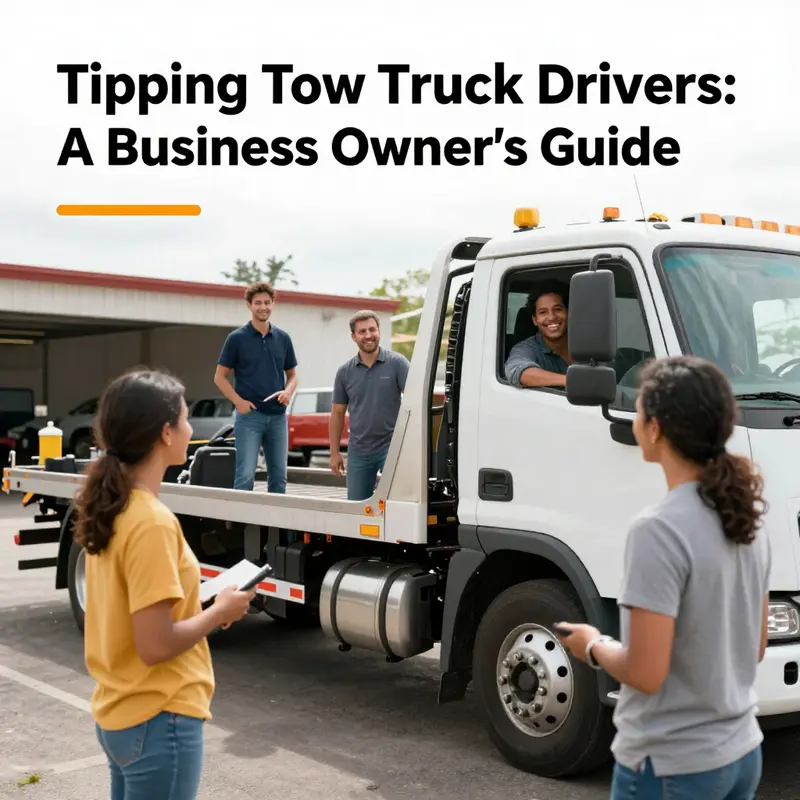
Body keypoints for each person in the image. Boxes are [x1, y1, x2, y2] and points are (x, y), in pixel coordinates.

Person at [555, 355, 770, 800]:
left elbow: (646, 673)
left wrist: (594, 646)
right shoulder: (747, 516)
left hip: (672, 765)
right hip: (741, 754)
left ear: (655, 428)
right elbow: (756, 647)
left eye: (637, 409)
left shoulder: (658, 529)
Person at [72, 369, 255, 800]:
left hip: (122, 713)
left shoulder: (116, 508)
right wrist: (219, 612)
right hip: (159, 716)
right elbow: (154, 646)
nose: (191, 430)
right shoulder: (151, 522)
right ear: (165, 434)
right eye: (186, 420)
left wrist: (201, 606)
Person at [214, 281, 298, 493]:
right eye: (258, 303)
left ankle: (276, 526)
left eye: (267, 302)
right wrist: (238, 402)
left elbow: (293, 375)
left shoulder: (283, 338)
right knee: (245, 476)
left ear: (273, 304)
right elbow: (220, 377)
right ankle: (239, 526)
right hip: (249, 417)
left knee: (279, 477)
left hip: (278, 417)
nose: (263, 307)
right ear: (249, 305)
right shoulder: (236, 339)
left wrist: (288, 391)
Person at [329, 310, 409, 501]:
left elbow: (416, 402)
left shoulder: (398, 364)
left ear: (379, 331)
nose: (368, 335)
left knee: (397, 503)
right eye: (362, 331)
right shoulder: (344, 372)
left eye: (372, 329)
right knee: (356, 507)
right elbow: (337, 413)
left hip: (392, 447)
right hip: (359, 450)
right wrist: (334, 453)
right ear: (353, 337)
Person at [504, 280, 572, 388]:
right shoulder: (526, 348)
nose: (551, 317)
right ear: (535, 320)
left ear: (568, 313)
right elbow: (517, 371)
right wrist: (572, 380)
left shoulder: (588, 342)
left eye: (558, 309)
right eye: (543, 312)